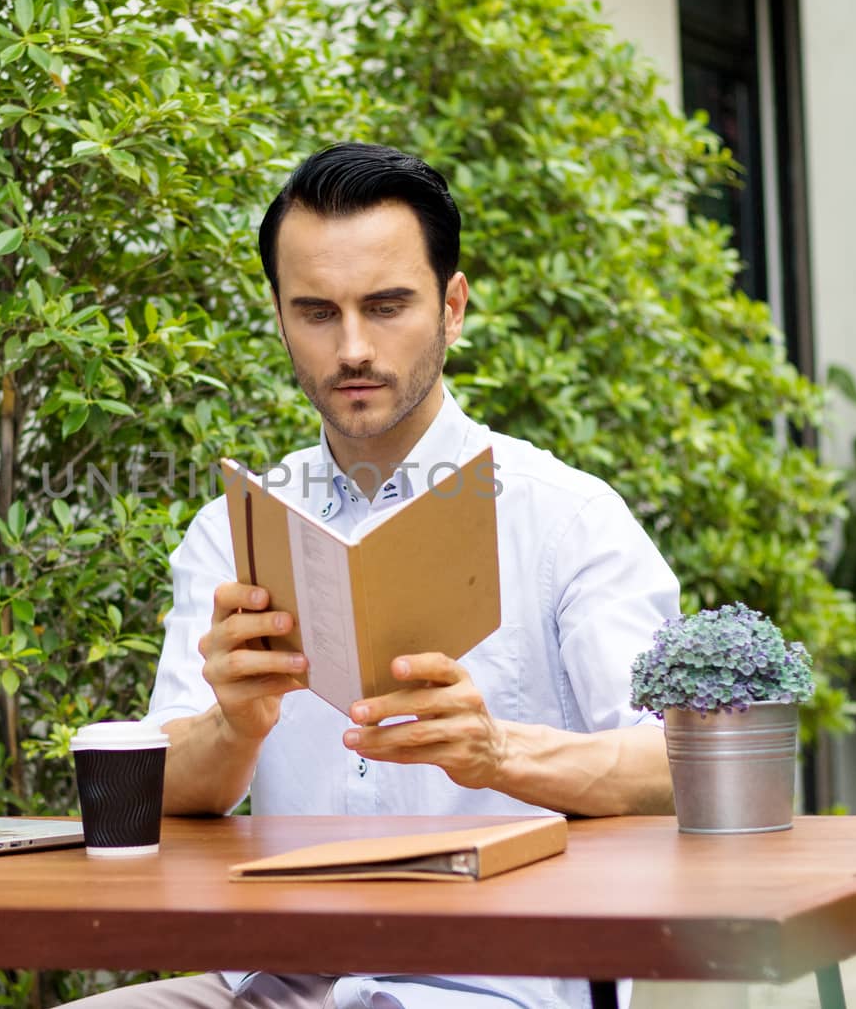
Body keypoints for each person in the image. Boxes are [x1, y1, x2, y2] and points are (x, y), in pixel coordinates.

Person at [74, 142, 679, 1009]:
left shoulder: (565, 517)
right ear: (280, 317)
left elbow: (676, 758)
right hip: (269, 981)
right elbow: (166, 787)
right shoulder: (235, 528)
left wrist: (499, 750)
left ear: (452, 307)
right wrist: (235, 725)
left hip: (486, 990)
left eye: (387, 305)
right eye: (317, 311)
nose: (352, 346)